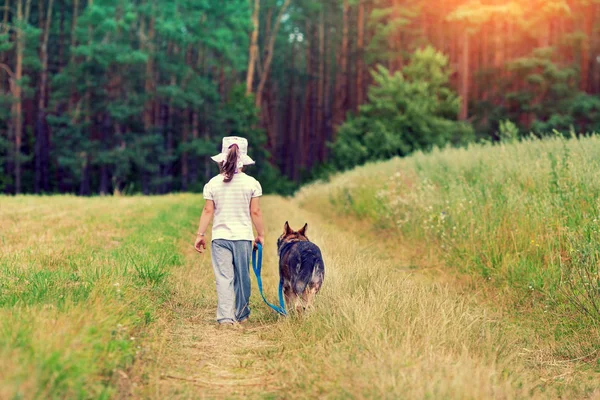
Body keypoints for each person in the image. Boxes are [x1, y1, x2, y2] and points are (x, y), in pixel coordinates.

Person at [194, 136, 265, 326]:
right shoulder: (252, 183)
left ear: (223, 158)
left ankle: (226, 318)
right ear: (244, 159)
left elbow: (208, 211)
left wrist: (200, 235)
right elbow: (255, 211)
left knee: (224, 278)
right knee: (243, 278)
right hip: (242, 237)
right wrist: (261, 235)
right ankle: (242, 315)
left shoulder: (212, 183)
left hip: (220, 238)